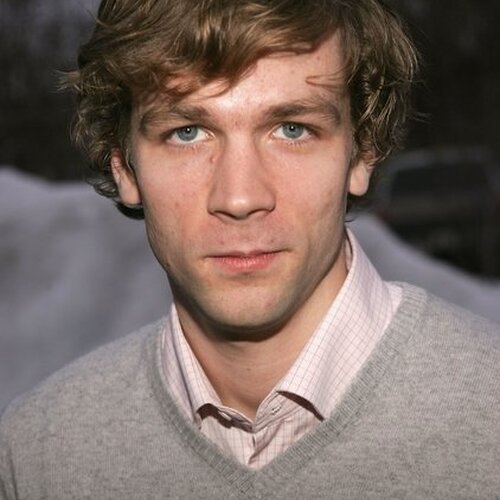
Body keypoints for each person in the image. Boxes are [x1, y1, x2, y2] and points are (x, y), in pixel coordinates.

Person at [1, 0, 498, 498]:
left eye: (292, 129)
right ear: (124, 168)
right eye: (187, 133)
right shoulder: (37, 456)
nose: (239, 198)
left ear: (361, 154)